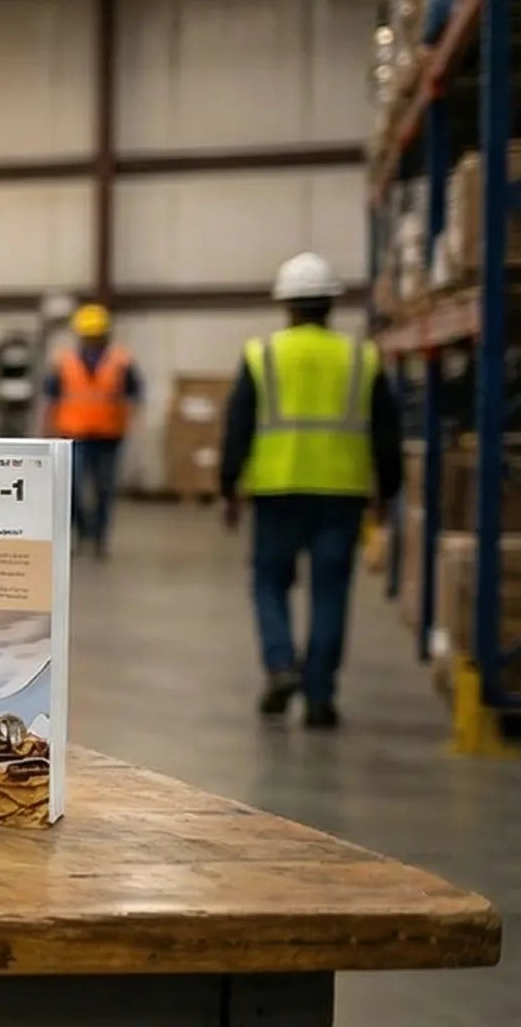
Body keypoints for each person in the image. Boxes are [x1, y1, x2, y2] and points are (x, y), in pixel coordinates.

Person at [218, 253, 402, 731]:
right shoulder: (362, 356)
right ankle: (320, 697)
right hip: (342, 493)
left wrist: (228, 486)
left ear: (286, 305)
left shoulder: (264, 354)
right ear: (330, 304)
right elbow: (387, 431)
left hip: (277, 490)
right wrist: (389, 488)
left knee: (269, 584)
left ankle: (280, 666)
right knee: (330, 593)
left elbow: (238, 425)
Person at [41, 303, 139, 560]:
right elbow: (52, 396)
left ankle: (99, 537)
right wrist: (48, 429)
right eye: (89, 335)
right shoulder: (65, 362)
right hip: (74, 434)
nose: (94, 340)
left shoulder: (122, 361)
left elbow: (133, 396)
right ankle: (81, 530)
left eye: (97, 335)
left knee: (104, 489)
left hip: (109, 435)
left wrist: (127, 421)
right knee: (72, 487)